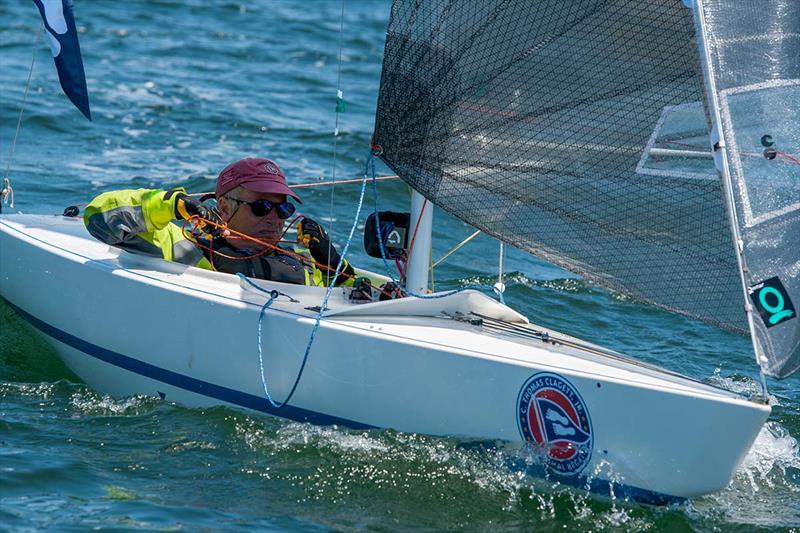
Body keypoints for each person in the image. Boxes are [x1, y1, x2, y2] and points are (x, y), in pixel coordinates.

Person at [83, 157, 356, 286]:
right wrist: (171, 204)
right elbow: (98, 217)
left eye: (283, 209)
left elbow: (361, 303)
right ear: (224, 206)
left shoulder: (304, 266)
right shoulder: (184, 247)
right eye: (261, 206)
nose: (274, 218)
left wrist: (334, 265)